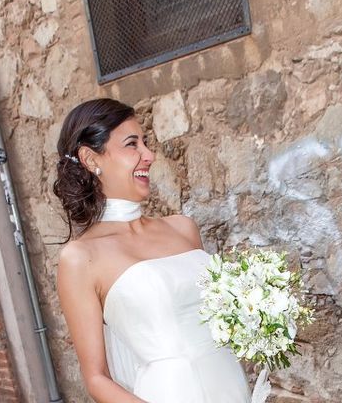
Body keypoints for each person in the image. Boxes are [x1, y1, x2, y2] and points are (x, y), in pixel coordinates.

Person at [53, 98, 251, 403]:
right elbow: (96, 378)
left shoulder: (183, 228)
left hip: (231, 387)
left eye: (145, 143)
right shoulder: (81, 258)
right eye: (132, 144)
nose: (149, 155)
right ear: (92, 159)